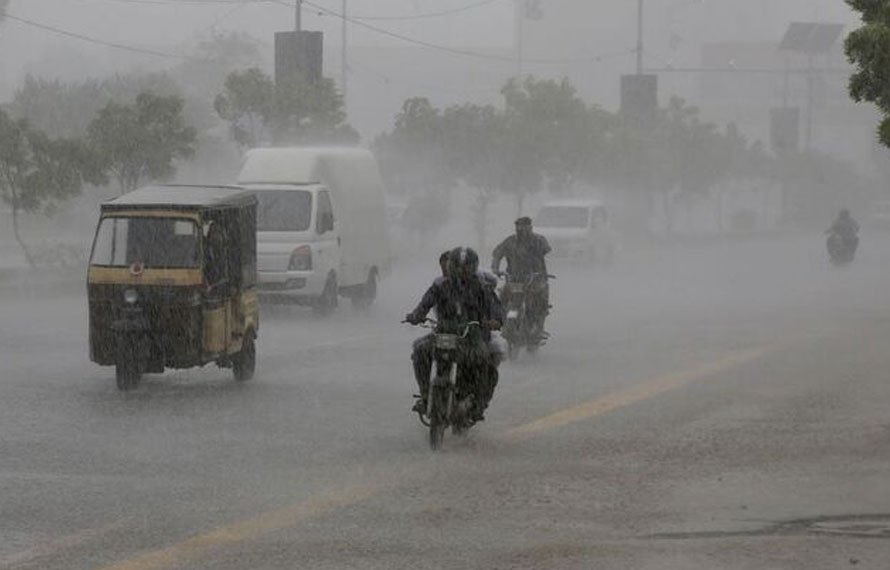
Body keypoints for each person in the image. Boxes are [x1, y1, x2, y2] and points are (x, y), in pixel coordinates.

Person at [406, 247, 505, 421]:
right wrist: (416, 315)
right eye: (457, 266)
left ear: (473, 267)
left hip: (472, 336)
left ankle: (477, 403)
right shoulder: (440, 286)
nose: (461, 271)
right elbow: (425, 303)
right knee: (420, 351)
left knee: (484, 362)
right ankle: (426, 394)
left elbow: (495, 307)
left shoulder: (482, 287)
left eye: (465, 267)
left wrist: (495, 320)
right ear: (451, 266)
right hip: (443, 333)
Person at [491, 216, 552, 335]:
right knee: (503, 296)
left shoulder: (539, 240)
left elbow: (545, 249)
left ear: (530, 227)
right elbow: (497, 254)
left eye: (524, 227)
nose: (521, 230)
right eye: (518, 227)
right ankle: (504, 320)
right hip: (514, 279)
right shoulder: (510, 241)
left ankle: (537, 326)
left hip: (536, 278)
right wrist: (495, 268)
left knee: (539, 300)